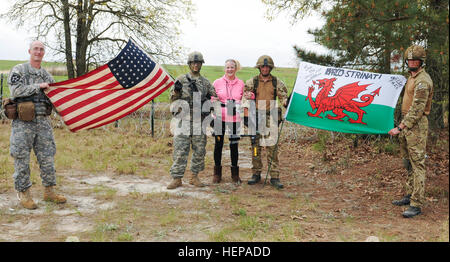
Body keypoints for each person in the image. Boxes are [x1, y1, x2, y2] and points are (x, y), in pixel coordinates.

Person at [7, 40, 66, 210]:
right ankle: (24, 193)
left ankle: (49, 191)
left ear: (44, 53)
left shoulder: (47, 76)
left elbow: (56, 98)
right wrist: (38, 87)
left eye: (41, 49)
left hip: (43, 122)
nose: (38, 52)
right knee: (21, 157)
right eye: (36, 49)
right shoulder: (19, 70)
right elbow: (15, 91)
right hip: (23, 123)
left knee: (47, 157)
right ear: (29, 51)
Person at [388, 45, 434, 218]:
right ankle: (410, 194)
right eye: (410, 60)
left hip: (415, 126)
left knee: (418, 164)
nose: (412, 63)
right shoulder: (411, 78)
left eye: (415, 60)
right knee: (408, 163)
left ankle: (417, 203)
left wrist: (400, 127)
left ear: (421, 62)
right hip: (406, 124)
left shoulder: (423, 81)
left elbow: (417, 109)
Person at [167, 51, 218, 189]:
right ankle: (177, 178)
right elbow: (171, 99)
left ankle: (194, 177)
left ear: (201, 64)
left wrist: (209, 104)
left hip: (199, 121)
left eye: (198, 63)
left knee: (199, 150)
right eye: (193, 63)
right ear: (189, 64)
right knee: (180, 149)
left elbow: (215, 98)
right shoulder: (181, 80)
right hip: (183, 120)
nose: (196, 65)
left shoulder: (205, 82)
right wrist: (176, 92)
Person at [242, 55, 288, 189]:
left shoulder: (277, 82)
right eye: (263, 66)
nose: (265, 68)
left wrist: (287, 102)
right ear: (259, 68)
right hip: (255, 117)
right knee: (255, 146)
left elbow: (283, 98)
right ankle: (256, 173)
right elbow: (245, 97)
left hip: (271, 117)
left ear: (271, 68)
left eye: (267, 66)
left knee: (271, 147)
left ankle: (274, 176)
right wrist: (246, 116)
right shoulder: (252, 82)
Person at [211, 59, 244, 184]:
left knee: (234, 145)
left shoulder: (241, 83)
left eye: (232, 67)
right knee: (218, 144)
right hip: (220, 118)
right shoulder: (217, 82)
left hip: (234, 118)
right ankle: (217, 173)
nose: (230, 69)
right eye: (227, 67)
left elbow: (244, 98)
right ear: (224, 69)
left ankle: (235, 174)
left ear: (236, 69)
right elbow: (212, 99)